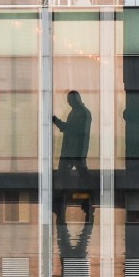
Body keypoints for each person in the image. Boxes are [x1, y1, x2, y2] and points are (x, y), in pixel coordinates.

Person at [53, 90, 92, 220]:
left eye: (70, 100)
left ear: (76, 99)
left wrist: (55, 120)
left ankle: (85, 201)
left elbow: (69, 128)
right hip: (71, 152)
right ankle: (80, 201)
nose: (69, 102)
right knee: (69, 176)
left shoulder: (82, 113)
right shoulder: (76, 112)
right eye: (68, 100)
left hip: (75, 152)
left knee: (77, 177)